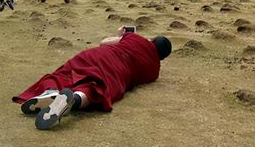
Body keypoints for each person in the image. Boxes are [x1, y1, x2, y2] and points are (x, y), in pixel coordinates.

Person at [13, 27, 172, 130]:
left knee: (64, 74)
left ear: (152, 40)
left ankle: (50, 91)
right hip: (119, 73)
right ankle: (74, 100)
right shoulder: (154, 71)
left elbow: (103, 43)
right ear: (162, 58)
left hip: (99, 55)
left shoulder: (135, 38)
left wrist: (120, 35)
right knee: (95, 87)